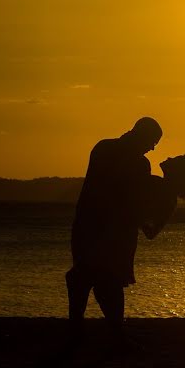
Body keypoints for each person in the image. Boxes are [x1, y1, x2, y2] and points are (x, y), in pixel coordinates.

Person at [65, 117, 162, 341]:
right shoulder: (136, 162)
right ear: (142, 135)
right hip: (110, 229)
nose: (153, 147)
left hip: (87, 224)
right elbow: (133, 197)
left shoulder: (103, 148)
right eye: (153, 141)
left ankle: (80, 329)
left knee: (89, 276)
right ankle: (113, 332)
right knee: (105, 279)